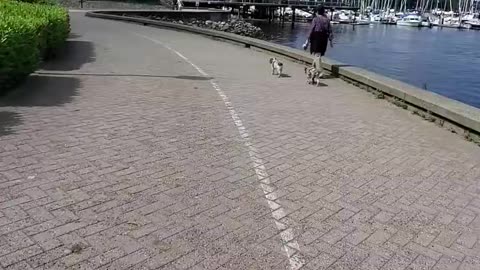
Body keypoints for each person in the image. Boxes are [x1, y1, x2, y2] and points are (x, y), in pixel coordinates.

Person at [304, 6, 333, 78]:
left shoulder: (315, 19)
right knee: (318, 54)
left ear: (317, 12)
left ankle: (320, 71)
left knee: (317, 55)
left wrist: (307, 41)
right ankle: (313, 68)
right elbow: (330, 31)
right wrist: (331, 40)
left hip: (316, 37)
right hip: (324, 37)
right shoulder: (327, 20)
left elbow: (311, 30)